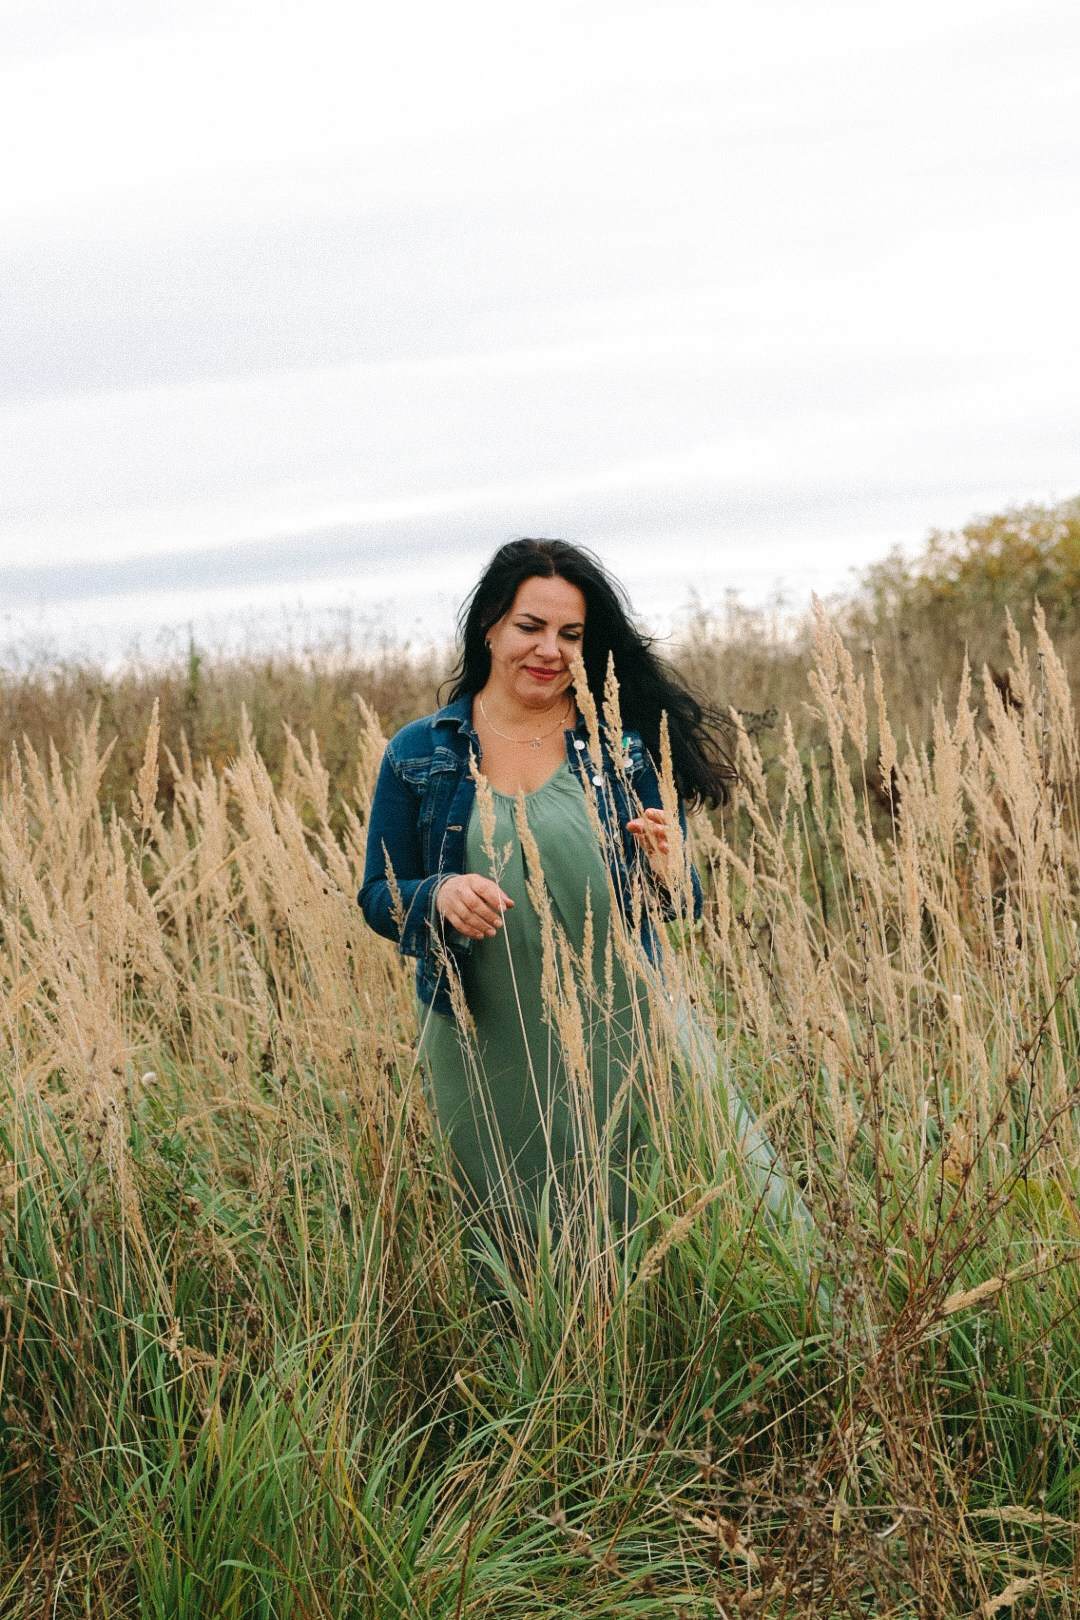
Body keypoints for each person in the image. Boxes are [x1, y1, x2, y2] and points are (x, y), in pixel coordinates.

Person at [358, 539, 733, 1260]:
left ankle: (631, 1351)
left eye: (571, 635)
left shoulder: (619, 749)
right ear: (490, 626)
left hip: (620, 1024)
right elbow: (379, 895)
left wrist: (667, 869)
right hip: (480, 1032)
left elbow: (679, 904)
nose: (550, 650)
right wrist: (435, 894)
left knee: (634, 1215)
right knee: (506, 1232)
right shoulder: (419, 752)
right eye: (531, 626)